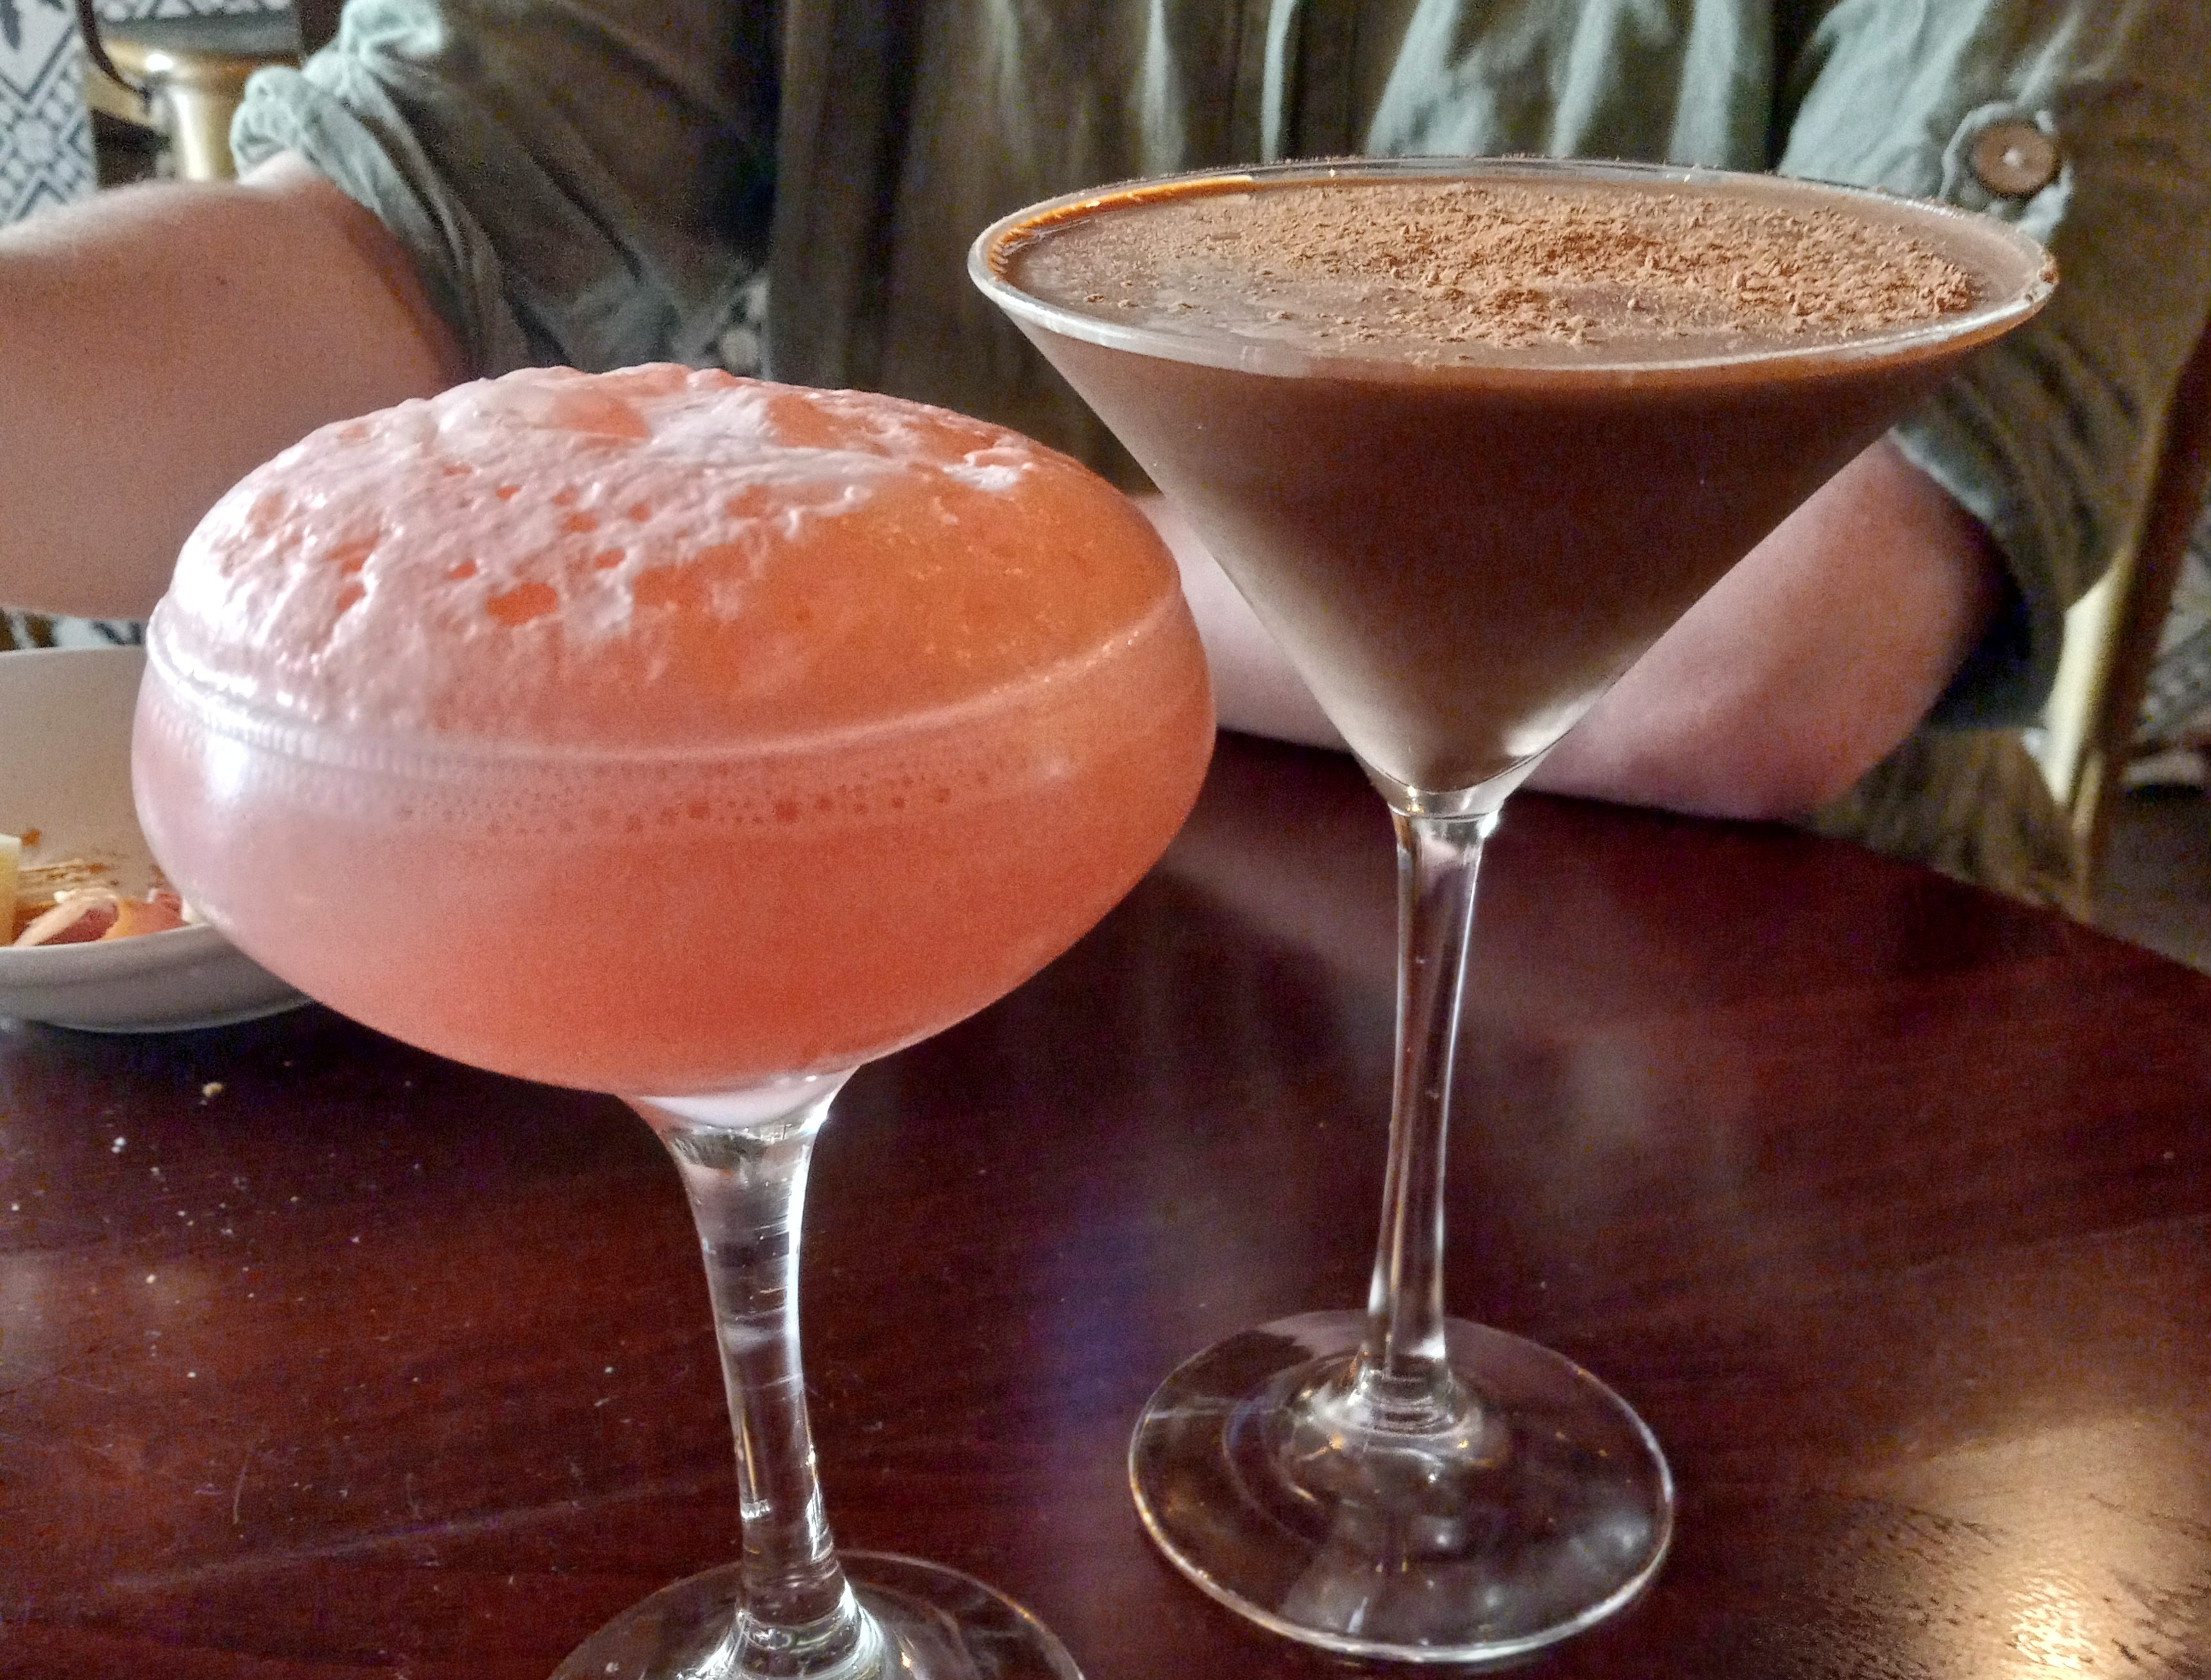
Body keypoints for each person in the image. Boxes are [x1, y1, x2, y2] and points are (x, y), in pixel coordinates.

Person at [4, 0, 2208, 907]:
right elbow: (398, 230)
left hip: (1810, 1064)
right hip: (984, 952)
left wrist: (898, 562)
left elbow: (1766, 647)